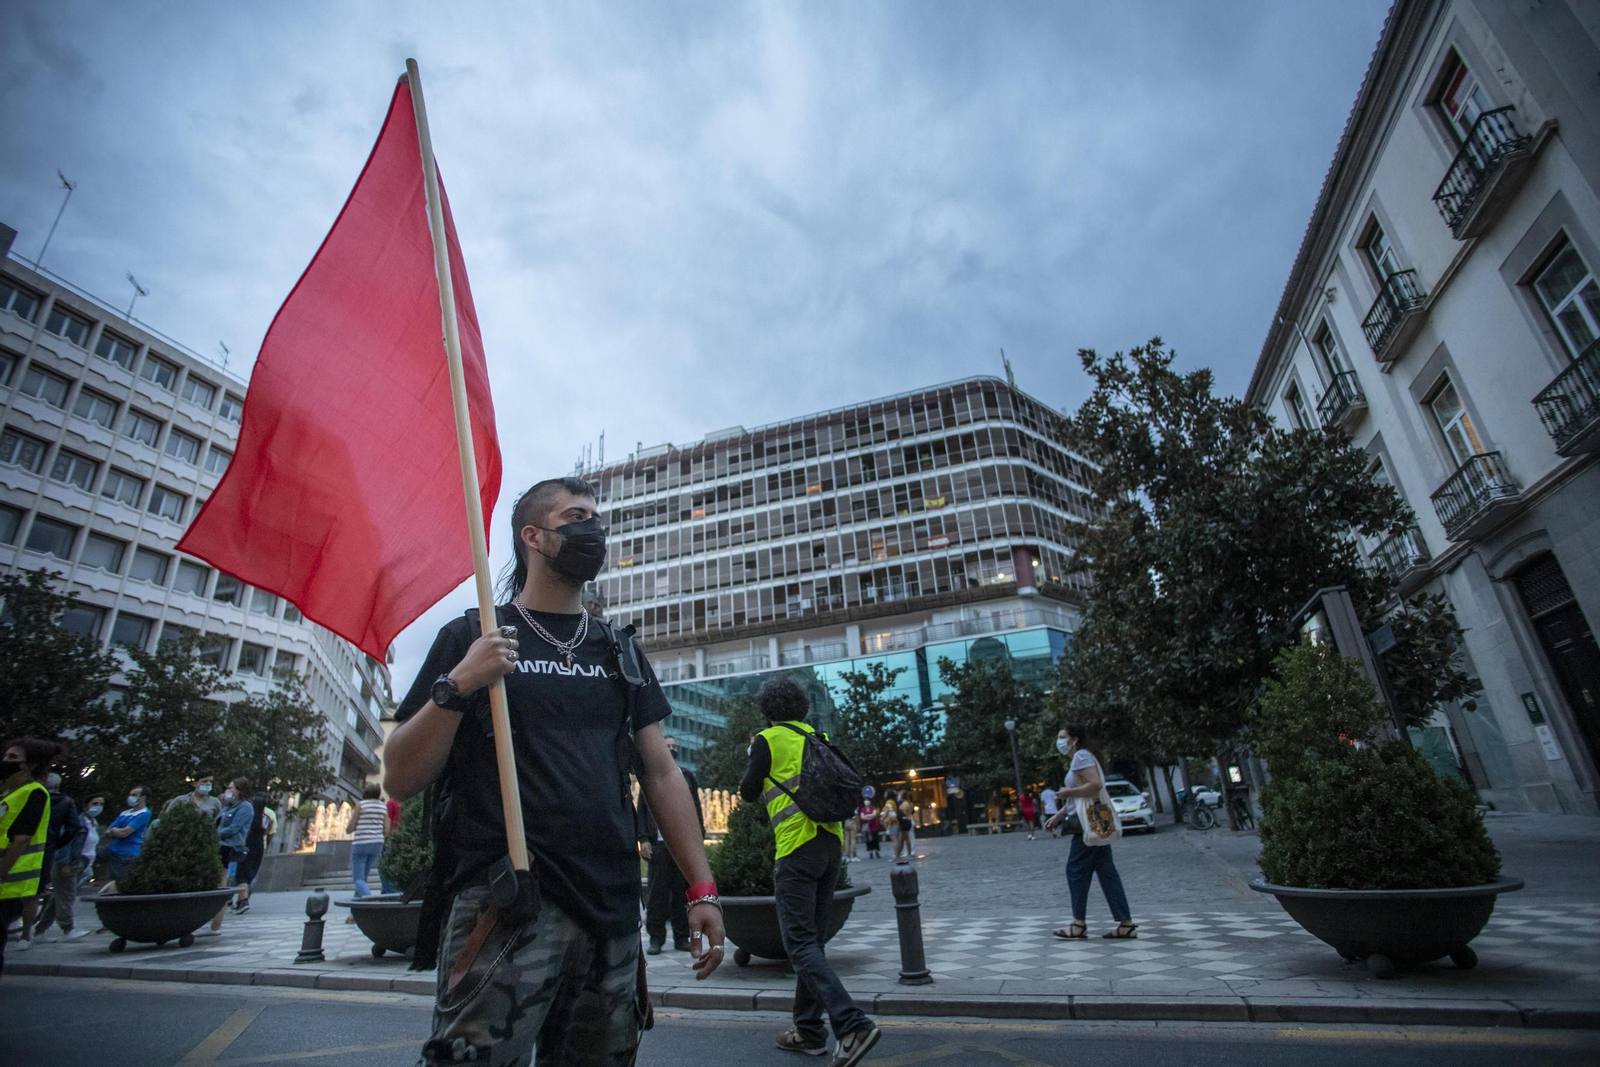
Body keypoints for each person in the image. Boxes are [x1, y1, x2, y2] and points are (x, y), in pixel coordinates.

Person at [384, 476, 723, 1066]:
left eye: (597, 518)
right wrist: (459, 685)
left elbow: (662, 774)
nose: (593, 529)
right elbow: (399, 777)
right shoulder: (473, 636)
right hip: (508, 906)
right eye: (576, 517)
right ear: (534, 537)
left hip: (612, 910)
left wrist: (701, 888)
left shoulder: (618, 649)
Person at [740, 677, 880, 1067]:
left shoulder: (767, 740)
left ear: (766, 711)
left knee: (799, 944)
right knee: (811, 944)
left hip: (796, 849)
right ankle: (809, 1031)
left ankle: (852, 1025)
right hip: (830, 847)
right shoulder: (815, 735)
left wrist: (751, 756)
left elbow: (749, 791)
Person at [1048, 724, 1137, 940]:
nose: (1059, 741)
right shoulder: (1084, 756)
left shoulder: (1081, 757)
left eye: (1062, 737)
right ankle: (1125, 924)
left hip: (1087, 823)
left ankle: (1078, 923)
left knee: (1075, 870)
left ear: (1074, 739)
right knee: (1107, 872)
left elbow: (1095, 785)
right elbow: (1083, 797)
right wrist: (1059, 814)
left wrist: (1069, 791)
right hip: (1093, 820)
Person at [636, 734, 703, 955]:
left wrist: (698, 838)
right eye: (668, 746)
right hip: (659, 848)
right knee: (657, 895)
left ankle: (681, 937)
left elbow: (696, 809)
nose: (672, 749)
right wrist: (644, 839)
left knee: (682, 894)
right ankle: (656, 938)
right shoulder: (648, 778)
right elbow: (642, 812)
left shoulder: (687, 776)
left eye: (674, 746)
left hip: (681, 845)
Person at [1, 738, 59, 973]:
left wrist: (2, 871)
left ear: (31, 765)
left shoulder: (34, 792)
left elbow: (21, 838)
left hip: (10, 884)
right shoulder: (10, 793)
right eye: (6, 756)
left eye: (13, 758)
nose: (6, 761)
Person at [44, 789, 100, 942]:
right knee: (66, 897)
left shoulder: (94, 824)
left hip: (81, 864)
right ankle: (68, 929)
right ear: (85, 806)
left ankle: (39, 931)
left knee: (58, 899)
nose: (98, 807)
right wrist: (65, 863)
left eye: (101, 804)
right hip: (70, 863)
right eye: (94, 803)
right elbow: (67, 842)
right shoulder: (79, 822)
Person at [201, 778, 254, 937]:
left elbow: (234, 828)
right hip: (218, 845)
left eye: (231, 788)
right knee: (215, 885)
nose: (228, 790)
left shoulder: (245, 807)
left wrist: (211, 834)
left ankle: (215, 926)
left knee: (220, 885)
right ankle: (210, 923)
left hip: (227, 847)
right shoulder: (228, 806)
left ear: (239, 790)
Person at [347, 782, 389, 906]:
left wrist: (349, 829)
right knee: (363, 877)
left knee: (358, 879)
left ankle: (370, 901)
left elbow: (351, 827)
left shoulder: (361, 805)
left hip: (361, 844)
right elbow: (386, 829)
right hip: (377, 844)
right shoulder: (383, 807)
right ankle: (355, 911)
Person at [231, 791, 271, 914]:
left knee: (241, 874)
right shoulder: (266, 818)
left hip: (247, 845)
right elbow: (268, 832)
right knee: (249, 874)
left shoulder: (249, 815)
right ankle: (239, 902)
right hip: (259, 846)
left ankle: (243, 900)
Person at [104, 785, 152, 885]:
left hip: (129, 854)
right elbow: (107, 832)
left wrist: (115, 831)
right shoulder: (124, 813)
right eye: (130, 795)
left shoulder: (144, 813)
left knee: (122, 884)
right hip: (114, 852)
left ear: (143, 798)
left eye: (134, 795)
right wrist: (116, 831)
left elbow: (125, 833)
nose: (130, 797)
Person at [893, 791, 915, 863]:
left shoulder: (905, 803)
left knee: (905, 838)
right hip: (905, 821)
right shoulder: (906, 803)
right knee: (903, 839)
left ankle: (907, 853)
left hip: (905, 822)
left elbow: (903, 812)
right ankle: (899, 855)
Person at [858, 792, 880, 859]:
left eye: (868, 801)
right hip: (867, 826)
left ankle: (877, 851)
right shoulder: (862, 809)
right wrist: (870, 816)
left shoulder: (873, 807)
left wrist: (867, 816)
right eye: (865, 801)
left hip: (874, 826)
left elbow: (874, 815)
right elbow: (862, 817)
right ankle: (870, 852)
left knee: (875, 838)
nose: (866, 802)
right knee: (868, 839)